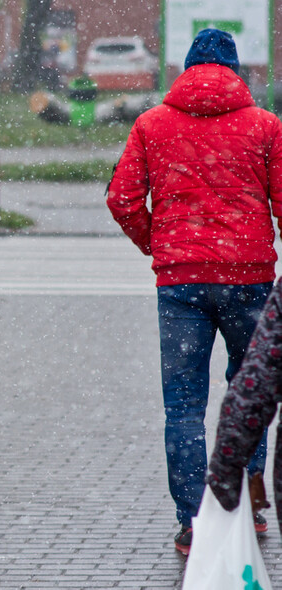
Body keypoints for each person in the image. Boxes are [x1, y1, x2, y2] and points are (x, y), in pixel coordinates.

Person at [106, 28, 282, 555]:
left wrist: (157, 243)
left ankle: (192, 522)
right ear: (236, 72)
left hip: (180, 283)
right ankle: (247, 505)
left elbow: (122, 199)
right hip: (250, 279)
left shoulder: (151, 124)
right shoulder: (266, 126)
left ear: (185, 70)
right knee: (250, 394)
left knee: (183, 407)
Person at [207, 280, 282, 534]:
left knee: (183, 406)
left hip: (185, 272)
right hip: (242, 272)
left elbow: (256, 386)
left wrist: (225, 471)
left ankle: (190, 520)